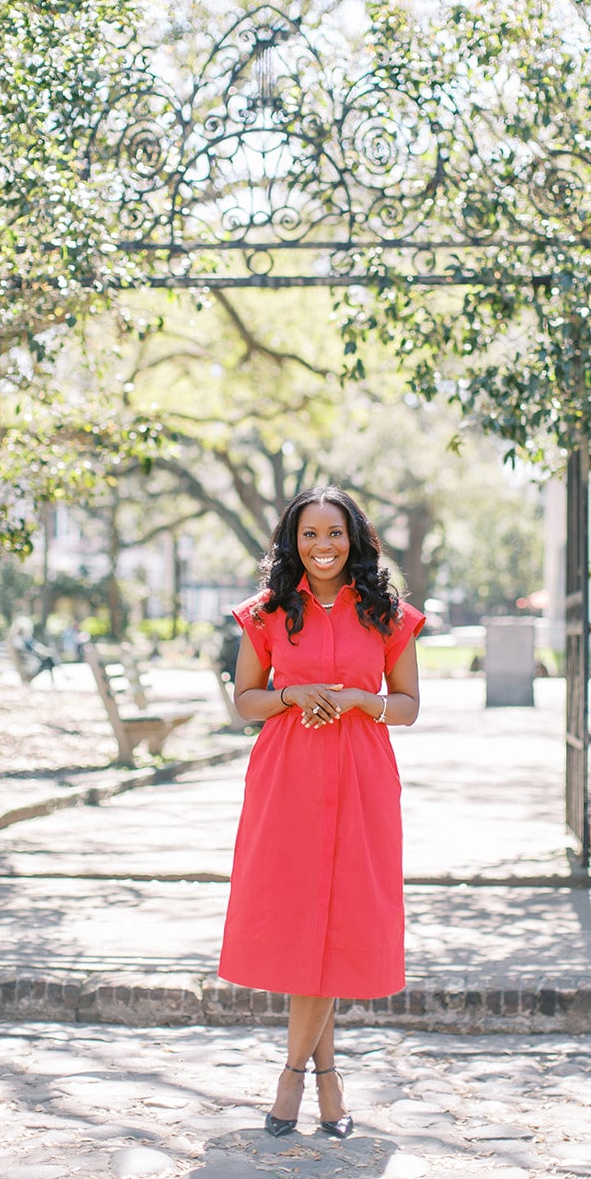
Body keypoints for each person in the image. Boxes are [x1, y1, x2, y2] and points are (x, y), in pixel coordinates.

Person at [220, 485, 424, 1139]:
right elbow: (244, 700)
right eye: (308, 534)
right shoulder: (268, 612)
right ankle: (325, 1084)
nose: (322, 546)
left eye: (333, 533)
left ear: (354, 538)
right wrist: (290, 694)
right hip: (288, 779)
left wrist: (364, 702)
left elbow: (409, 705)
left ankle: (295, 1079)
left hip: (362, 777)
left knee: (339, 922)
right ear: (291, 542)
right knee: (304, 922)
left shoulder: (387, 613)